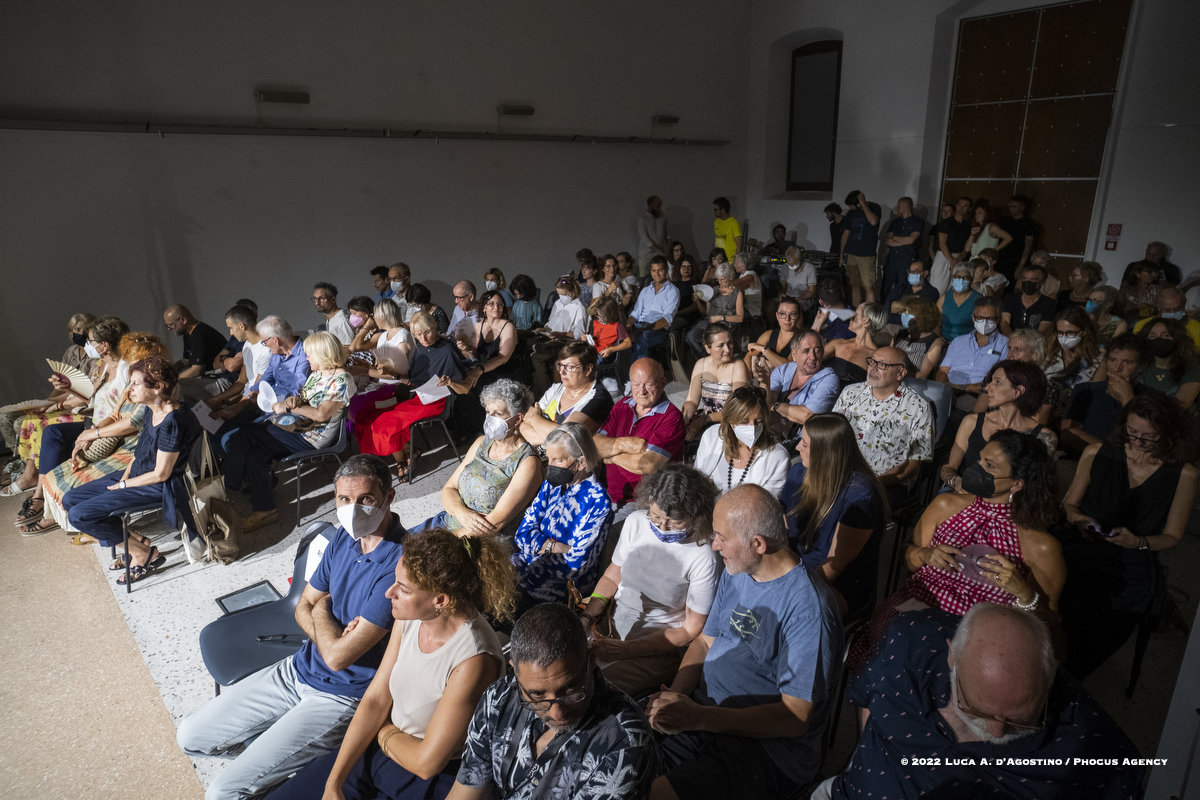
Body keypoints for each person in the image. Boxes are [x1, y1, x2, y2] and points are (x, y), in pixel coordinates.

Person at [177, 455, 406, 800]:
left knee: (222, 793)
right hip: (298, 668)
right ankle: (277, 770)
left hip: (340, 696)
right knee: (190, 736)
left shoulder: (399, 565)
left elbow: (339, 657)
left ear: (389, 496)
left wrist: (322, 612)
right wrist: (327, 628)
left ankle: (277, 774)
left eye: (366, 499)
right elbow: (303, 606)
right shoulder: (343, 539)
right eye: (344, 499)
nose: (353, 509)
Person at [265, 527, 513, 800]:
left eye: (402, 589)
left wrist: (381, 730)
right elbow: (375, 700)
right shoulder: (410, 617)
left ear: (440, 600)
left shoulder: (474, 659)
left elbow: (426, 763)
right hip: (382, 750)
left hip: (423, 781)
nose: (389, 593)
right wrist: (333, 783)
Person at [815, 604, 1144, 800]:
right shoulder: (908, 643)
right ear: (951, 658)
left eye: (1022, 720)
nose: (997, 732)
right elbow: (866, 698)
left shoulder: (1091, 743)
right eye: (976, 709)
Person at [646, 485, 842, 799]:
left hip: (766, 750)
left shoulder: (808, 609)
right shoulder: (738, 568)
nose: (714, 545)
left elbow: (794, 718)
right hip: (706, 714)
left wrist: (699, 717)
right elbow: (705, 642)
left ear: (758, 543)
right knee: (625, 766)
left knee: (659, 793)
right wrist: (676, 696)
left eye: (721, 537)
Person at [448, 603, 657, 799]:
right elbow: (466, 791)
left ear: (591, 660)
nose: (557, 713)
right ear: (515, 671)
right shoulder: (498, 697)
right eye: (537, 695)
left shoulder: (625, 744)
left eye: (569, 690)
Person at [1057, 393, 1198, 679]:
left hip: (1132, 558)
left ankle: (1071, 674)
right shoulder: (1096, 453)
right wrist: (1081, 520)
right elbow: (1069, 506)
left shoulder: (1184, 474)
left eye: (1149, 436)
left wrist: (1139, 542)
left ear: (1169, 433)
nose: (1138, 441)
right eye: (1132, 432)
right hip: (1083, 544)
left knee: (1116, 608)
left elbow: (1172, 536)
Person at [892, 430, 1064, 630]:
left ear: (1016, 484)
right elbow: (905, 555)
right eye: (980, 459)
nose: (976, 468)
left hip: (977, 636)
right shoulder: (945, 505)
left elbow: (1049, 628)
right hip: (916, 613)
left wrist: (1025, 594)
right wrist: (924, 554)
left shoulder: (1040, 545)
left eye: (989, 466)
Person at [581, 464, 721, 697]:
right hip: (612, 623)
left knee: (596, 691)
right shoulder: (636, 522)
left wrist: (626, 650)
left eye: (674, 522)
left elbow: (689, 630)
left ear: (695, 516)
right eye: (655, 517)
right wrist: (587, 616)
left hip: (659, 645)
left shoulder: (703, 555)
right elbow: (611, 577)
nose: (662, 528)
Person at [62, 355, 202, 583]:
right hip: (139, 474)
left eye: (135, 384)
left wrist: (123, 485)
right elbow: (140, 453)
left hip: (159, 485)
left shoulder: (173, 421)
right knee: (70, 500)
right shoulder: (151, 409)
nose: (129, 390)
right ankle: (137, 542)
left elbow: (161, 474)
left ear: (158, 387)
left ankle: (140, 553)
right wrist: (125, 477)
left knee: (80, 515)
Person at [35, 333, 168, 537]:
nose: (130, 367)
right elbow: (114, 414)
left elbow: (132, 424)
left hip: (133, 448)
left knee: (75, 490)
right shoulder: (128, 382)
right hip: (125, 444)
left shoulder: (156, 398)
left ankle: (115, 535)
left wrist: (94, 434)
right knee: (57, 477)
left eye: (135, 363)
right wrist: (90, 432)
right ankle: (109, 532)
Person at [225, 332, 353, 531]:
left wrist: (289, 409)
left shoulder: (342, 379)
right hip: (299, 428)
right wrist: (293, 400)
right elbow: (303, 398)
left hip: (312, 437)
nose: (307, 357)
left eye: (310, 354)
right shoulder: (318, 374)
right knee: (253, 453)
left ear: (323, 354)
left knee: (247, 433)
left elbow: (321, 414)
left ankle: (229, 487)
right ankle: (265, 510)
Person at [3, 315, 130, 498]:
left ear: (104, 346)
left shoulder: (126, 369)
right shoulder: (102, 366)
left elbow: (123, 412)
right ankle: (39, 487)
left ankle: (40, 490)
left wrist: (93, 431)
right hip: (94, 420)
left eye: (90, 340)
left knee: (42, 426)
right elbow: (90, 397)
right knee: (49, 430)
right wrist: (67, 388)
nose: (87, 344)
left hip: (105, 425)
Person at [781, 413, 889, 616]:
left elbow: (836, 564)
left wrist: (791, 590)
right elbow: (785, 526)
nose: (797, 448)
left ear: (825, 452)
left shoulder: (860, 496)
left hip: (834, 583)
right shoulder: (798, 473)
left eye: (804, 444)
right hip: (794, 568)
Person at [355, 312, 474, 480]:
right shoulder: (420, 347)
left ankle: (402, 460)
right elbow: (412, 378)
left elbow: (465, 389)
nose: (423, 338)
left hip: (436, 401)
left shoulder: (447, 350)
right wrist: (391, 372)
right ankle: (407, 451)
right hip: (417, 396)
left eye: (427, 332)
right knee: (366, 416)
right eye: (418, 334)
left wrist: (450, 383)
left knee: (384, 423)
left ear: (434, 327)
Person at [418, 379, 541, 539]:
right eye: (488, 412)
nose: (490, 419)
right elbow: (448, 489)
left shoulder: (527, 462)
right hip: (448, 521)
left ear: (517, 419)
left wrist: (447, 541)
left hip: (479, 540)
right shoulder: (481, 442)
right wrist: (462, 513)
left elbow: (494, 524)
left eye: (498, 414)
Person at [512, 422, 612, 606]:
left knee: (510, 600)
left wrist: (536, 545)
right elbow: (521, 534)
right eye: (548, 458)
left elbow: (574, 565)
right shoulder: (552, 484)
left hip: (560, 587)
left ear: (581, 462)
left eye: (557, 460)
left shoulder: (598, 502)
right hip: (526, 564)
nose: (550, 466)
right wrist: (553, 546)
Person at [833, 347, 935, 507]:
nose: (873, 368)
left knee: (854, 506)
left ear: (900, 373)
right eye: (872, 362)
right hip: (840, 473)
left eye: (882, 365)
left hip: (886, 482)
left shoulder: (919, 407)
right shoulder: (850, 393)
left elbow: (913, 464)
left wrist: (872, 484)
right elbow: (831, 435)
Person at [941, 361, 1055, 493]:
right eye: (991, 381)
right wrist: (958, 483)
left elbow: (1035, 485)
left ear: (1018, 391)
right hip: (963, 492)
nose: (987, 388)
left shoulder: (1044, 437)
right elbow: (948, 468)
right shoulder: (972, 422)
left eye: (997, 382)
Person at [593, 357, 685, 508]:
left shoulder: (671, 417)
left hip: (644, 502)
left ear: (663, 383)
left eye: (649, 384)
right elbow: (596, 445)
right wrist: (625, 444)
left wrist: (610, 456)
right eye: (636, 384)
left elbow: (648, 464)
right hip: (608, 494)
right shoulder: (622, 406)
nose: (641, 391)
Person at [693, 386, 789, 496]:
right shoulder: (712, 436)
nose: (752, 427)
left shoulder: (778, 458)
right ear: (730, 420)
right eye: (744, 421)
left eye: (758, 421)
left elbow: (765, 502)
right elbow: (696, 482)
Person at [1061, 334, 1148, 454]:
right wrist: (1107, 451)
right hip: (1086, 456)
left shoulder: (1151, 398)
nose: (1117, 368)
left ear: (1140, 367)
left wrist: (1128, 400)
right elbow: (1068, 435)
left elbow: (1145, 439)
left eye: (1127, 362)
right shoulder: (1086, 390)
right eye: (1112, 360)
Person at [520, 341, 614, 446]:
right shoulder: (556, 389)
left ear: (588, 369)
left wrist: (534, 417)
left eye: (570, 367)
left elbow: (564, 439)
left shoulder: (598, 399)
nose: (562, 372)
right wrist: (553, 436)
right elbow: (522, 427)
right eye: (560, 365)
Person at [762, 330, 839, 439]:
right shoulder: (783, 370)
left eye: (817, 350)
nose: (813, 357)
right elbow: (766, 402)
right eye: (806, 351)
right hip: (770, 432)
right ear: (794, 355)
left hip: (801, 441)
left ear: (822, 354)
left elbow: (808, 416)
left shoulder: (829, 379)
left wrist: (775, 405)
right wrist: (765, 383)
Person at [681, 322, 749, 441]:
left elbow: (737, 407)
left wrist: (704, 420)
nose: (727, 349)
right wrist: (683, 421)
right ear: (708, 348)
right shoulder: (701, 364)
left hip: (731, 420)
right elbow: (691, 401)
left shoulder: (738, 366)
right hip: (706, 418)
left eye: (730, 343)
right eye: (720, 345)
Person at [971, 329, 1054, 423]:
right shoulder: (993, 377)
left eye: (1017, 350)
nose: (1010, 354)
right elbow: (977, 415)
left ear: (1035, 355)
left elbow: (1036, 425)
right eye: (1009, 348)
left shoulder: (1045, 386)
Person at [936, 296, 1009, 396]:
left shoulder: (1005, 344)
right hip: (949, 392)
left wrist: (966, 388)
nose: (985, 322)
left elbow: (1000, 381)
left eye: (990, 318)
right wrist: (947, 389)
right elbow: (942, 372)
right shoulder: (958, 341)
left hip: (980, 396)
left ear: (998, 319)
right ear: (973, 318)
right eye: (980, 318)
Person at [1137, 316, 1200, 408]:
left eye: (1166, 335)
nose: (1159, 339)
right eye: (1152, 336)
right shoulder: (1139, 365)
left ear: (1178, 338)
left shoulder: (1192, 369)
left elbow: (1181, 404)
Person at [822, 302, 889, 387]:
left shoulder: (876, 357)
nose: (851, 317)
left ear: (866, 321)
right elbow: (813, 361)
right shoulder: (838, 343)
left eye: (856, 314)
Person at [626, 256, 680, 361]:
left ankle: (637, 370)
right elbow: (636, 313)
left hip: (657, 330)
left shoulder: (672, 291)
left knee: (642, 337)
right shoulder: (645, 290)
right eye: (654, 270)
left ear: (666, 270)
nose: (657, 274)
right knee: (619, 335)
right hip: (639, 326)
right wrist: (627, 327)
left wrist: (641, 330)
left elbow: (667, 319)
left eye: (660, 270)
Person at [466, 290, 520, 390]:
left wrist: (479, 370)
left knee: (471, 386)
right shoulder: (479, 325)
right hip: (484, 369)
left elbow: (503, 358)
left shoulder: (508, 327)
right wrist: (466, 349)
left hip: (503, 372)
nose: (496, 307)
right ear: (484, 308)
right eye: (491, 304)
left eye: (500, 304)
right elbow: (476, 354)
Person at [687, 262, 742, 355]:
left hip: (725, 323)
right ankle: (704, 358)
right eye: (718, 280)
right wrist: (698, 302)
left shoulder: (737, 293)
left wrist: (721, 317)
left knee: (713, 339)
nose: (720, 282)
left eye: (722, 279)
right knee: (691, 336)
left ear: (731, 277)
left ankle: (715, 358)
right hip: (709, 321)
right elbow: (705, 312)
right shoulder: (714, 290)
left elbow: (740, 318)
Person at [745, 297, 803, 384]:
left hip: (784, 385)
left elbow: (787, 367)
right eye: (782, 314)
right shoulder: (768, 335)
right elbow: (748, 357)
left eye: (793, 314)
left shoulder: (801, 340)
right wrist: (749, 379)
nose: (787, 318)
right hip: (761, 384)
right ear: (777, 316)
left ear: (798, 317)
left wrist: (763, 349)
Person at [838, 190, 882, 304]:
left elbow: (873, 221)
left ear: (858, 203)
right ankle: (856, 310)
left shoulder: (874, 208)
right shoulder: (850, 214)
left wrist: (864, 204)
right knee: (854, 284)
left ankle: (869, 312)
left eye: (851, 205)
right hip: (851, 254)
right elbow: (845, 234)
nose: (850, 208)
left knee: (868, 286)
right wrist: (842, 255)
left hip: (866, 255)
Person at [1044, 305, 1100, 394]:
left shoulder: (1097, 360)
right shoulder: (1049, 353)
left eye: (1070, 333)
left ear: (1083, 332)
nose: (1064, 337)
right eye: (1060, 333)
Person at [880, 196, 926, 302]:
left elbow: (911, 240)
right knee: (886, 286)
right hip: (892, 260)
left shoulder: (917, 221)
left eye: (899, 205)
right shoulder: (895, 222)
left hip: (907, 259)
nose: (897, 208)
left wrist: (896, 238)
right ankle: (884, 307)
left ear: (906, 206)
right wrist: (903, 240)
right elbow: (888, 240)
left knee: (904, 286)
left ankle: (901, 308)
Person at [892, 295, 946, 380]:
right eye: (905, 311)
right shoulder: (900, 334)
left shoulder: (935, 342)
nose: (904, 315)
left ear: (923, 317)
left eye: (909, 313)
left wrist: (896, 375)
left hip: (912, 383)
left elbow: (922, 375)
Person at [1132, 286, 1200, 350]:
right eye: (1167, 310)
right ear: (1159, 307)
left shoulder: (1196, 328)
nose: (1172, 313)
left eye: (1177, 309)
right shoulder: (1141, 325)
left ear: (1184, 305)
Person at [930, 196, 972, 293]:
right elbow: (942, 243)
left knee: (954, 288)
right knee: (938, 287)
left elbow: (966, 248)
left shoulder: (967, 226)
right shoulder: (946, 222)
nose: (961, 208)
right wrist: (951, 260)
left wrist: (958, 259)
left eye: (965, 206)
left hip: (958, 257)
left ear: (969, 209)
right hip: (944, 256)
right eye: (959, 205)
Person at [1000, 264, 1056, 336]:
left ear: (1042, 282)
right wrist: (1013, 339)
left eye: (1033, 279)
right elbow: (1004, 323)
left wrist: (1026, 342)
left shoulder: (1049, 303)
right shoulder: (1010, 298)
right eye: (1025, 279)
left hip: (1034, 341)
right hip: (1011, 339)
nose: (1028, 282)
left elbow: (1043, 330)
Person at [587, 294, 632, 381]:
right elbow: (590, 338)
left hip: (605, 354)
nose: (599, 318)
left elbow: (628, 343)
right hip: (592, 350)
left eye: (601, 316)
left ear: (610, 315)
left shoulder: (617, 326)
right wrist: (585, 338)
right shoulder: (594, 322)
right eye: (598, 315)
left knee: (589, 363)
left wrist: (611, 349)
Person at [883, 260, 939, 326]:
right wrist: (909, 308)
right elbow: (889, 307)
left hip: (916, 328)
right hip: (892, 325)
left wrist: (900, 307)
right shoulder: (901, 286)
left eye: (915, 271)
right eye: (910, 271)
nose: (912, 274)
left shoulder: (932, 292)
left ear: (925, 273)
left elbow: (921, 314)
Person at [996, 194, 1038, 281]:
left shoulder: (1028, 224)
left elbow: (1028, 247)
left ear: (1022, 208)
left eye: (1014, 207)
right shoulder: (1005, 221)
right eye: (1010, 206)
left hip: (1016, 261)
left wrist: (1021, 266)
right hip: (1001, 259)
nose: (1011, 209)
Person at [937, 262, 981, 340]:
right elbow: (936, 325)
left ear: (971, 279)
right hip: (944, 341)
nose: (961, 280)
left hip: (968, 342)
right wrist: (939, 339)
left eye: (965, 277)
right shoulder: (943, 299)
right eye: (958, 277)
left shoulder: (978, 299)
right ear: (952, 277)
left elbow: (980, 328)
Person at [731, 252, 763, 331]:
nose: (734, 265)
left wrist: (724, 278)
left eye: (736, 263)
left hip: (751, 310)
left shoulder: (751, 276)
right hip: (744, 307)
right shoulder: (742, 275)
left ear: (743, 264)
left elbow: (736, 284)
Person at [638, 194, 668, 274]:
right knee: (645, 277)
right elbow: (644, 238)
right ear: (650, 205)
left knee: (661, 275)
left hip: (660, 254)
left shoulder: (663, 217)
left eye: (660, 206)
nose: (659, 208)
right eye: (657, 206)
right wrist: (659, 251)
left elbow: (666, 235)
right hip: (646, 255)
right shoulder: (642, 219)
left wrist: (670, 249)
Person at [446, 281, 481, 345]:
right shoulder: (457, 309)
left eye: (459, 298)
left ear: (470, 297)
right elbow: (449, 333)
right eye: (455, 297)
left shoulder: (483, 315)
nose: (456, 301)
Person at [712, 195, 742, 262]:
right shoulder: (717, 221)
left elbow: (739, 244)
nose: (714, 212)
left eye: (716, 210)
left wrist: (735, 261)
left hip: (729, 260)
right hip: (718, 259)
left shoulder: (734, 223)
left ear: (723, 210)